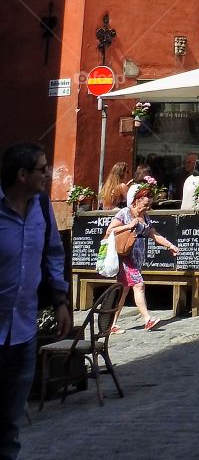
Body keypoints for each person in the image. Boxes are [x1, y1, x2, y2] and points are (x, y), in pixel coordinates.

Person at [0, 143, 71, 460]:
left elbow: (54, 252)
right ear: (22, 174)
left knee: (10, 425)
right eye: (42, 169)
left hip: (24, 331)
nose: (47, 174)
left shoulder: (42, 207)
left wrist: (60, 300)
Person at [106, 185, 178, 331]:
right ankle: (147, 319)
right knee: (139, 285)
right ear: (136, 201)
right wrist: (129, 226)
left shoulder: (145, 217)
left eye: (149, 205)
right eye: (145, 204)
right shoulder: (124, 213)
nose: (147, 208)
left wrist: (170, 246)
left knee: (124, 290)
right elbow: (109, 231)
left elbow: (154, 234)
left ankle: (111, 324)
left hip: (136, 257)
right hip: (125, 256)